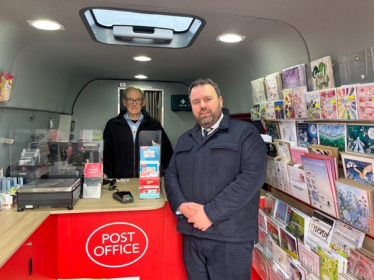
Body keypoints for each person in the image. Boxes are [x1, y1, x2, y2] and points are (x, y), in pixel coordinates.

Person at [165, 78, 267, 280]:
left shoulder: (246, 133)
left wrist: (210, 213)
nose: (202, 105)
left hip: (232, 239)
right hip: (192, 235)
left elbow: (251, 178)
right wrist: (180, 205)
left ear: (220, 100)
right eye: (196, 102)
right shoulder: (185, 139)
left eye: (207, 99)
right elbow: (171, 174)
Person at [103, 86, 173, 178]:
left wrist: (172, 174)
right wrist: (105, 172)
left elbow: (166, 152)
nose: (134, 104)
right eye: (130, 100)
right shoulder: (112, 125)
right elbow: (106, 153)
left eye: (138, 100)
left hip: (149, 179)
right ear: (124, 102)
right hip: (121, 180)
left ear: (143, 102)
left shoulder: (154, 124)